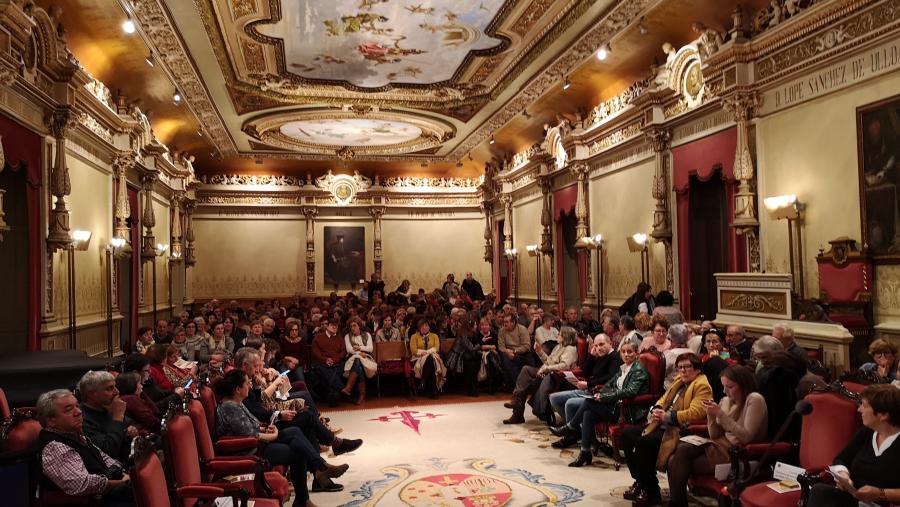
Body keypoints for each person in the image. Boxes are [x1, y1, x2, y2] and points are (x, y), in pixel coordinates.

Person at [215, 370, 337, 507]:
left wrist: (266, 429)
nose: (249, 386)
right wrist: (273, 434)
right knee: (298, 451)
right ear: (238, 389)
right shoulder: (230, 407)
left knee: (295, 431)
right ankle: (308, 489)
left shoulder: (236, 402)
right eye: (246, 383)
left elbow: (251, 426)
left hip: (257, 444)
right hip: (250, 452)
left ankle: (318, 469)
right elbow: (250, 436)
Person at [617, 352, 712, 506]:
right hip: (662, 423)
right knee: (626, 435)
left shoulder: (702, 385)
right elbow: (664, 398)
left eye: (687, 367)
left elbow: (696, 413)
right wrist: (657, 408)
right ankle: (641, 481)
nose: (683, 371)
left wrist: (667, 417)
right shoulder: (679, 380)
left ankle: (652, 491)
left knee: (643, 443)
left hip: (678, 429)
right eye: (680, 367)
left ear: (697, 369)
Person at [666, 365, 768, 506]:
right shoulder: (726, 400)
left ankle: (677, 504)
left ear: (743, 385)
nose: (725, 391)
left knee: (675, 461)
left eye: (730, 387)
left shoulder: (754, 399)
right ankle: (677, 503)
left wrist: (720, 414)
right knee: (681, 449)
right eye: (723, 386)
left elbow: (747, 437)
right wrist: (710, 416)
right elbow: (715, 435)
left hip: (738, 451)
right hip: (720, 444)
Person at [552, 341, 649, 466]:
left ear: (636, 353)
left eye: (629, 352)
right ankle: (585, 452)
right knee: (588, 413)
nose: (626, 355)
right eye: (623, 352)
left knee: (588, 403)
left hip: (627, 410)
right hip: (615, 405)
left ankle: (570, 427)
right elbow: (610, 384)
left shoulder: (638, 370)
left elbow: (630, 392)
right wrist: (601, 393)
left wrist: (604, 396)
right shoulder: (623, 368)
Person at [36, 389, 135, 507]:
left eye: (77, 406)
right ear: (51, 421)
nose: (78, 412)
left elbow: (107, 459)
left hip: (109, 491)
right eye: (68, 410)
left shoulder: (76, 435)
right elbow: (82, 484)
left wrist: (123, 474)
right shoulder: (54, 446)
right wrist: (120, 482)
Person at [807, 384, 900, 507]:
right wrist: (844, 476)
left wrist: (881, 493)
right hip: (855, 500)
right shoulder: (867, 432)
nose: (859, 409)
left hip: (885, 504)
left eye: (864, 406)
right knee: (820, 491)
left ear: (883, 415)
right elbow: (841, 459)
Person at [503, 326, 578, 424]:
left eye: (559, 334)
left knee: (525, 385)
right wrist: (539, 351)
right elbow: (548, 361)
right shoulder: (558, 346)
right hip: (547, 371)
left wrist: (546, 369)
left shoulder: (570, 349)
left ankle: (517, 410)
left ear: (566, 336)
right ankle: (517, 402)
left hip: (556, 377)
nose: (557, 335)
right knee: (526, 370)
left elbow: (564, 366)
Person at [77, 370, 138, 463]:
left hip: (133, 457)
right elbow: (109, 451)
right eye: (109, 388)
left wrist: (131, 430)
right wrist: (118, 416)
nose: (117, 392)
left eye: (115, 387)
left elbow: (129, 424)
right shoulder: (82, 419)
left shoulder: (106, 406)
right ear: (91, 394)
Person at [310, 318, 347, 404]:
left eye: (336, 326)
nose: (334, 327)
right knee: (321, 369)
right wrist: (325, 360)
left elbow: (343, 352)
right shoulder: (318, 337)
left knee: (336, 369)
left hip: (336, 363)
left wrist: (334, 360)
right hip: (322, 363)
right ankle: (342, 388)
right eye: (332, 325)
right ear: (327, 326)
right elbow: (315, 352)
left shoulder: (340, 338)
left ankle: (334, 393)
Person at [341, 317, 376, 404]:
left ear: (359, 326)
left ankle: (349, 387)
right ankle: (362, 396)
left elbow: (370, 348)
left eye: (354, 325)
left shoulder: (367, 335)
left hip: (366, 358)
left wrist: (359, 348)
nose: (352, 328)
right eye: (351, 326)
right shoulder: (347, 336)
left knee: (358, 362)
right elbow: (349, 350)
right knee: (358, 363)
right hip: (352, 360)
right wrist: (360, 353)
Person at [445, 316, 482, 397]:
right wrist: (481, 344)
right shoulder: (463, 335)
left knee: (475, 362)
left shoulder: (471, 334)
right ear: (470, 326)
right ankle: (471, 389)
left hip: (464, 356)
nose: (476, 326)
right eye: (475, 325)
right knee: (471, 365)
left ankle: (473, 388)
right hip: (456, 358)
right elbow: (471, 348)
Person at [409, 319, 445, 398]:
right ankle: (433, 391)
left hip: (433, 357)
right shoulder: (414, 336)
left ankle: (423, 381)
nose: (424, 327)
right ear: (419, 327)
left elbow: (437, 348)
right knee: (431, 362)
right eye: (422, 326)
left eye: (426, 326)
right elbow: (413, 350)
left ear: (429, 327)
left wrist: (427, 352)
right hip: (418, 359)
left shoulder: (434, 336)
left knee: (430, 359)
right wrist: (423, 353)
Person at [498, 314, 535, 389]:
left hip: (522, 352)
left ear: (513, 322)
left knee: (529, 358)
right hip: (508, 353)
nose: (505, 324)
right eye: (504, 322)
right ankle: (517, 386)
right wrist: (507, 352)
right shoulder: (501, 331)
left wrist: (514, 351)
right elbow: (501, 346)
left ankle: (530, 385)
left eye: (507, 322)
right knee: (505, 357)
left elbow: (527, 346)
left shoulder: (522, 329)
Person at [663, 324, 694, 388]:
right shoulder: (692, 352)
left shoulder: (672, 354)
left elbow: (661, 372)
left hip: (671, 388)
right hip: (689, 387)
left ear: (671, 339)